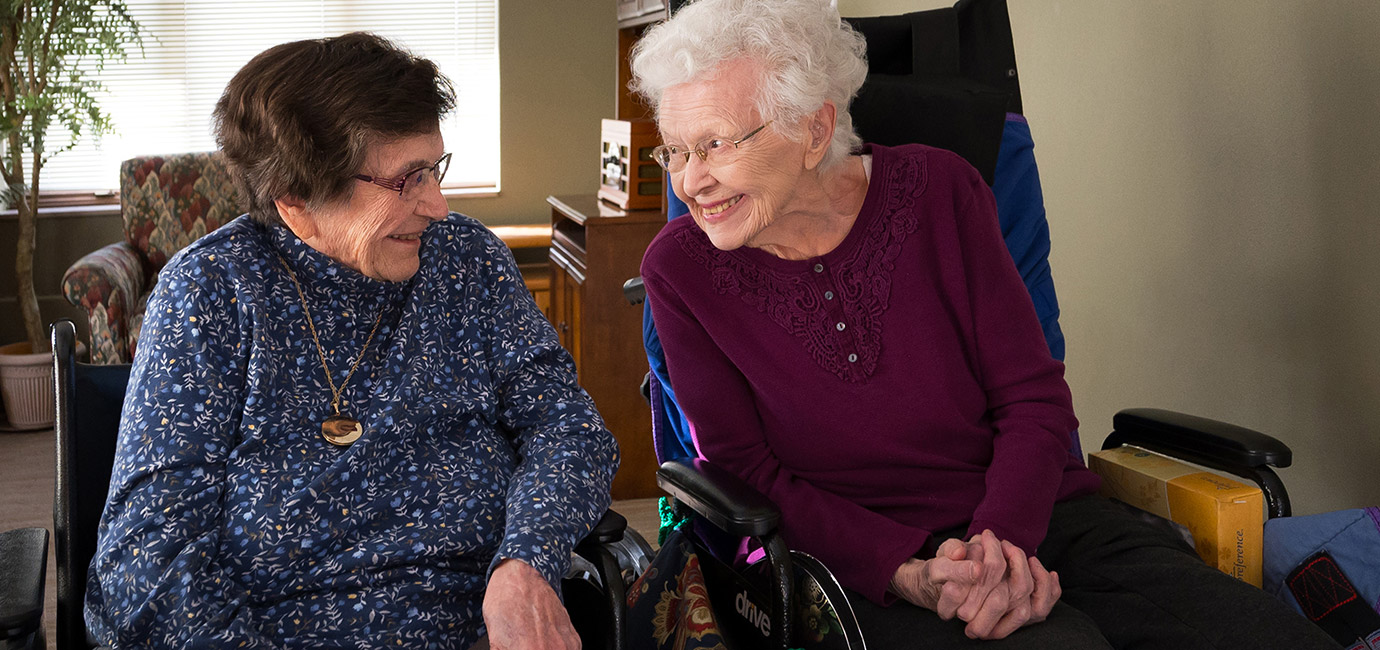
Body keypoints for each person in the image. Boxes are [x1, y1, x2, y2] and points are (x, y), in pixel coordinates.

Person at [630, 1, 1339, 648]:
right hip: (852, 557)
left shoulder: (942, 192)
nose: (690, 182)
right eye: (677, 150)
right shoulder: (680, 270)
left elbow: (1031, 397)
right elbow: (749, 473)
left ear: (815, 129)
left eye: (718, 145)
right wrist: (906, 570)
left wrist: (1002, 543)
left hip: (1035, 515)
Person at [85, 32, 617, 650]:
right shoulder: (210, 293)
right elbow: (149, 553)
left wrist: (525, 564)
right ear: (297, 199)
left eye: (435, 168)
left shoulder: (467, 262)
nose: (439, 205)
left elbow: (568, 427)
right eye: (406, 181)